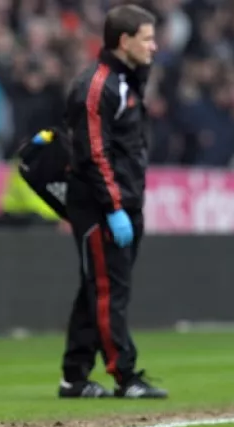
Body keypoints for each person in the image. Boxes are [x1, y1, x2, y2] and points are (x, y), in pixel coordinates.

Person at [57, 4, 167, 399]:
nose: (154, 47)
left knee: (96, 288)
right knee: (109, 291)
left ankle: (74, 376)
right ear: (124, 41)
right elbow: (94, 154)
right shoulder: (98, 85)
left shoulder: (126, 81)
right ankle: (125, 375)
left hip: (124, 202)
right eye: (147, 39)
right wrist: (115, 207)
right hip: (101, 206)